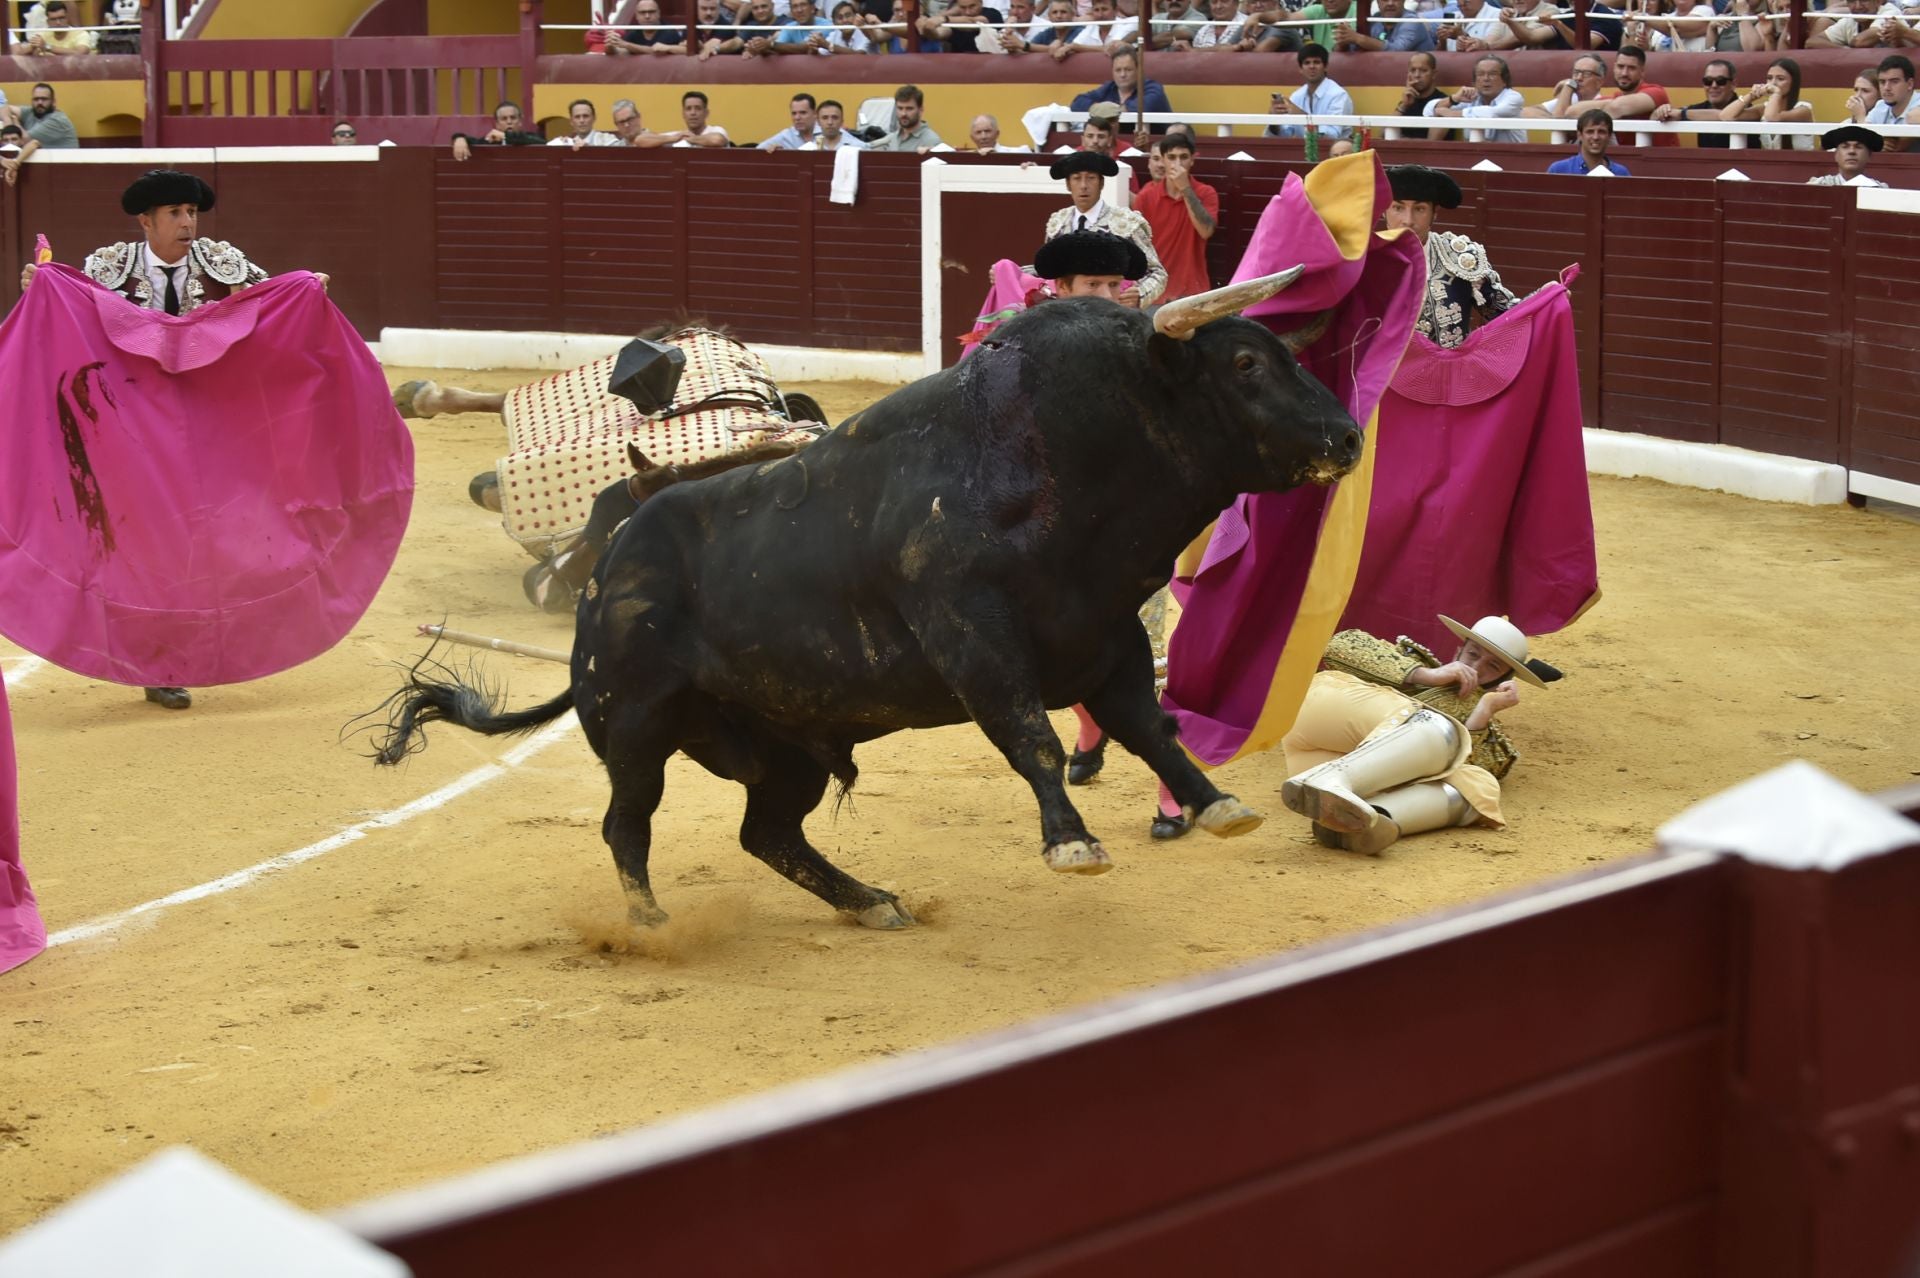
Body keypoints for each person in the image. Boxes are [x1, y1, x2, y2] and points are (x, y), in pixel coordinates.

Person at [16, 170, 283, 712]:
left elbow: (274, 306)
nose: (188, 223)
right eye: (175, 213)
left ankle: (191, 647)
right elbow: (69, 318)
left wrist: (305, 288)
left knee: (201, 541)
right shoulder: (108, 268)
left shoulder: (223, 263)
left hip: (206, 429)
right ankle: (161, 662)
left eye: (192, 212)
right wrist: (38, 288)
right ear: (146, 221)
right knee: (147, 546)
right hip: (129, 433)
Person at [1279, 615, 1549, 855]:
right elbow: (1340, 645)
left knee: (1480, 785)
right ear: (1459, 650)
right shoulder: (1415, 661)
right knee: (1438, 727)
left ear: (1504, 679)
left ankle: (1362, 823)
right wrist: (1426, 675)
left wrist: (1483, 711)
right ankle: (1333, 780)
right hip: (1324, 719)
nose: (1477, 668)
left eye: (1493, 667)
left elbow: (1463, 765)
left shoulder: (1490, 733)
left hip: (1325, 764)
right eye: (1473, 654)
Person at [1384, 164, 1516, 348]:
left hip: (1447, 366)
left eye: (1419, 209)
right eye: (1398, 208)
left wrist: (1547, 300)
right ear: (1384, 211)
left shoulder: (1458, 257)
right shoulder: (1363, 260)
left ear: (1434, 214)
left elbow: (1508, 314)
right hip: (1382, 368)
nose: (1408, 220)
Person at [1042, 150, 1167, 305]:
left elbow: (1157, 273)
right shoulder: (1058, 222)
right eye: (1077, 178)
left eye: (1091, 178)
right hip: (1068, 312)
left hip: (1113, 308)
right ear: (1068, 184)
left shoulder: (1125, 223)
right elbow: (1050, 272)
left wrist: (1140, 295)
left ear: (1101, 183)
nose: (1083, 186)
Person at [1134, 133, 1217, 301]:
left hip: (1193, 292)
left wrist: (1185, 188)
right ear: (1163, 160)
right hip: (1155, 292)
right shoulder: (1145, 197)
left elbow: (1206, 231)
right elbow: (1138, 247)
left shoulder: (1206, 193)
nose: (1177, 164)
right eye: (1171, 157)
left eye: (1183, 157)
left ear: (1192, 160)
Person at [1714, 56, 1813, 150]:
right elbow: (1725, 116)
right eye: (1769, 78)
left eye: (1780, 79)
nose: (1773, 83)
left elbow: (1772, 118)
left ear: (1793, 82)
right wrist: (1751, 96)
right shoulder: (1763, 109)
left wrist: (1776, 93)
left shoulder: (1803, 110)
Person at [1424, 54, 1524, 142]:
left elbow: (1493, 113)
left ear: (1504, 81)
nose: (1486, 79)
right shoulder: (1471, 97)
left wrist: (1455, 114)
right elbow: (1428, 111)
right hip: (1475, 155)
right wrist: (1453, 99)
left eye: (1492, 74)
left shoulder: (1513, 97)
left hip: (1510, 155)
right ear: (1474, 82)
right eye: (1480, 74)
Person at [1265, 43, 1355, 140]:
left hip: (1336, 149)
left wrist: (1302, 116)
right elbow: (1286, 134)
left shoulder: (1338, 95)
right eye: (1307, 63)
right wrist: (1274, 120)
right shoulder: (1297, 96)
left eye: (1316, 62)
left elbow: (1332, 136)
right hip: (1303, 148)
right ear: (1301, 69)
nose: (1312, 66)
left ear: (1326, 67)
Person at [0, 83, 78, 186]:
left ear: (53, 102)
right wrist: (8, 122)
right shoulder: (30, 112)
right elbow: (5, 108)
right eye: (36, 99)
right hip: (42, 176)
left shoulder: (57, 121)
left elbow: (24, 141)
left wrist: (16, 122)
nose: (39, 102)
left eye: (44, 99)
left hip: (63, 176)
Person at [1070, 45, 1174, 121]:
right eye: (1118, 70)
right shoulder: (1109, 87)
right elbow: (1077, 102)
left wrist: (1105, 110)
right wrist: (1098, 108)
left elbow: (1141, 106)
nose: (1122, 75)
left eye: (1128, 70)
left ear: (1138, 70)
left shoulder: (1153, 88)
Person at [1653, 57, 1740, 146]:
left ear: (1733, 84)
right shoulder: (1699, 108)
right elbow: (1654, 117)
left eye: (1720, 81)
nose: (1714, 85)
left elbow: (1725, 115)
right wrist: (1663, 111)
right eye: (1708, 81)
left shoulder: (1745, 109)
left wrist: (1682, 114)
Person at [1546, 108, 1633, 174]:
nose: (1595, 137)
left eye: (1601, 132)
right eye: (1590, 132)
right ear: (1579, 135)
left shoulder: (1621, 173)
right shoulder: (1559, 170)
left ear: (1609, 136)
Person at [451, 101, 545, 160]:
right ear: (497, 123)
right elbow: (472, 141)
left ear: (520, 121)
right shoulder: (490, 141)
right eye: (504, 119)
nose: (509, 122)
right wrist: (459, 138)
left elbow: (544, 143)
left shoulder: (531, 138)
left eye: (513, 118)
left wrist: (505, 137)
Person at [1865, 54, 1920, 152]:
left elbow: (1914, 118)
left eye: (1894, 81)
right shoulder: (1881, 106)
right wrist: (1877, 143)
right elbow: (1863, 136)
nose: (1887, 88)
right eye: (1882, 82)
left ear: (1910, 84)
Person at [1335, 0, 1436, 52]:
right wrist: (1344, 42)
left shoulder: (1412, 21)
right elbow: (1353, 49)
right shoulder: (1375, 20)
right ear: (1378, 3)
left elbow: (1396, 50)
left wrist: (1358, 38)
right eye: (1385, 0)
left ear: (1403, 1)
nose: (1390, 3)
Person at [1808, 124, 1888, 185]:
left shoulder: (1878, 189)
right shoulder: (1820, 184)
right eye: (1845, 147)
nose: (1851, 151)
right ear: (1836, 155)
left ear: (1869, 156)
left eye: (1858, 147)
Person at [871, 84, 944, 150]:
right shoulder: (892, 138)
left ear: (920, 110)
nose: (903, 113)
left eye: (909, 109)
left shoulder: (931, 141)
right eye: (900, 108)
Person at [11, 2, 95, 55]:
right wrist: (32, 48)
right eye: (53, 19)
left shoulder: (80, 34)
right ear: (48, 22)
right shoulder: (42, 35)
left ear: (68, 18)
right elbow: (17, 55)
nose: (58, 22)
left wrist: (47, 47)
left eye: (61, 18)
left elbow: (80, 53)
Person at [607, 0, 689, 52]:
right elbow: (623, 52)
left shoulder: (669, 31)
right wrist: (611, 47)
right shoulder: (634, 32)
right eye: (642, 13)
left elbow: (655, 51)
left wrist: (627, 45)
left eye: (651, 12)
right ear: (636, 16)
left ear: (658, 14)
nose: (647, 16)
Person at [548, 99, 623, 148]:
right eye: (577, 117)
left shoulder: (607, 140)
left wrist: (589, 150)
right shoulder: (567, 143)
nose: (582, 120)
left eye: (586, 116)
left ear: (594, 118)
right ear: (571, 121)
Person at [800, 99, 869, 148]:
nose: (830, 122)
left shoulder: (859, 147)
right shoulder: (808, 149)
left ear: (842, 121)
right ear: (818, 122)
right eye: (825, 118)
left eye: (835, 117)